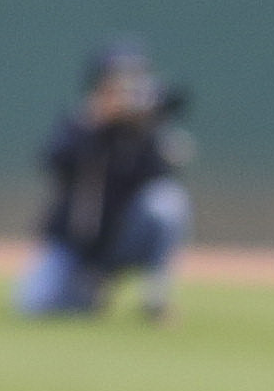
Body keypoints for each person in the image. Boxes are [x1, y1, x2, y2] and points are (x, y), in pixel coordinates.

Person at [19, 39, 192, 319]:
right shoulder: (80, 123)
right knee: (35, 305)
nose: (126, 91)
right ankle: (93, 286)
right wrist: (95, 125)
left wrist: (146, 131)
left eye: (134, 79)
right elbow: (54, 161)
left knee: (168, 202)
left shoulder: (147, 131)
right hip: (78, 244)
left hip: (124, 239)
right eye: (117, 82)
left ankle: (155, 295)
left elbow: (167, 170)